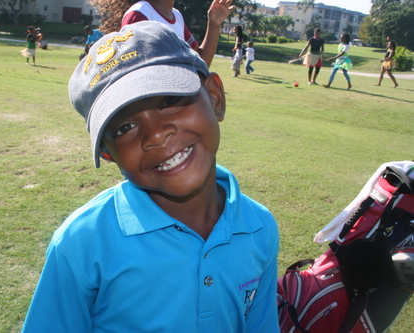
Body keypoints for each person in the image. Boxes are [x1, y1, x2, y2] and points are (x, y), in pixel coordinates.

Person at [22, 21, 280, 332]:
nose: (156, 134)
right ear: (108, 154)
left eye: (170, 100)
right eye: (124, 128)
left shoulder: (259, 227)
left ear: (215, 97)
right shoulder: (82, 243)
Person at [90, 0, 235, 67]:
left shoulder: (176, 16)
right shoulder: (140, 13)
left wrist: (214, 25)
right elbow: (132, 70)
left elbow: (201, 63)